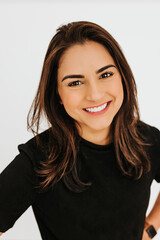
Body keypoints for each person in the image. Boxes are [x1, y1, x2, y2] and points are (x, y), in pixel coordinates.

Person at [0, 20, 160, 240]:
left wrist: (150, 228)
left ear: (122, 77)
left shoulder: (148, 139)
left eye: (105, 75)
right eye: (75, 82)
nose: (94, 94)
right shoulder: (38, 160)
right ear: (57, 94)